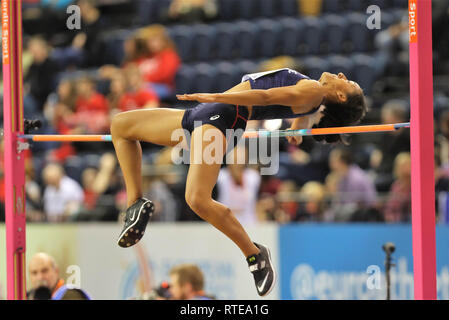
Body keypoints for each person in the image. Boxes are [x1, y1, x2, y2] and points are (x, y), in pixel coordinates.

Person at [110, 68, 367, 296]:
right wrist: (298, 129)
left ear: (341, 97)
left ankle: (254, 254)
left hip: (222, 119)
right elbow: (299, 105)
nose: (342, 75)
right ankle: (136, 204)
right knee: (121, 127)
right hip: (202, 114)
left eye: (348, 82)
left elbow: (265, 98)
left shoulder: (313, 91)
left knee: (196, 198)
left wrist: (216, 97)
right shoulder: (311, 93)